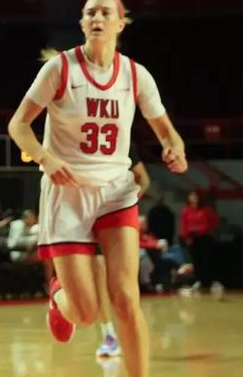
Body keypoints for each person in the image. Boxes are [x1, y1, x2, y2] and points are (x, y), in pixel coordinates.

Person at [7, 0, 187, 377]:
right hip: (66, 192)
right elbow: (18, 125)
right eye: (89, 13)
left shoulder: (137, 75)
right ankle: (59, 299)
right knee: (87, 313)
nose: (96, 18)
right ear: (82, 23)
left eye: (105, 12)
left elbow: (167, 132)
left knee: (126, 297)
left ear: (121, 23)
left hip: (115, 193)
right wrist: (45, 158)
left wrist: (174, 148)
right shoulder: (60, 69)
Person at [93, 145, 152, 359]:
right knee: (98, 277)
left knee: (122, 287)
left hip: (117, 219)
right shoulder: (76, 133)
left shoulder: (123, 139)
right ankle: (108, 334)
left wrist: (125, 203)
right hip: (89, 214)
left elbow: (143, 179)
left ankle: (129, 336)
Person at [180, 190, 220, 293]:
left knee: (207, 260)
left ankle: (210, 282)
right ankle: (199, 281)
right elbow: (184, 225)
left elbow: (215, 221)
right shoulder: (186, 210)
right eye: (191, 196)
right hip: (192, 239)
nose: (193, 198)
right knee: (196, 261)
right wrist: (186, 237)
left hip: (205, 238)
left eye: (195, 196)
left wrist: (207, 230)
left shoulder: (206, 209)